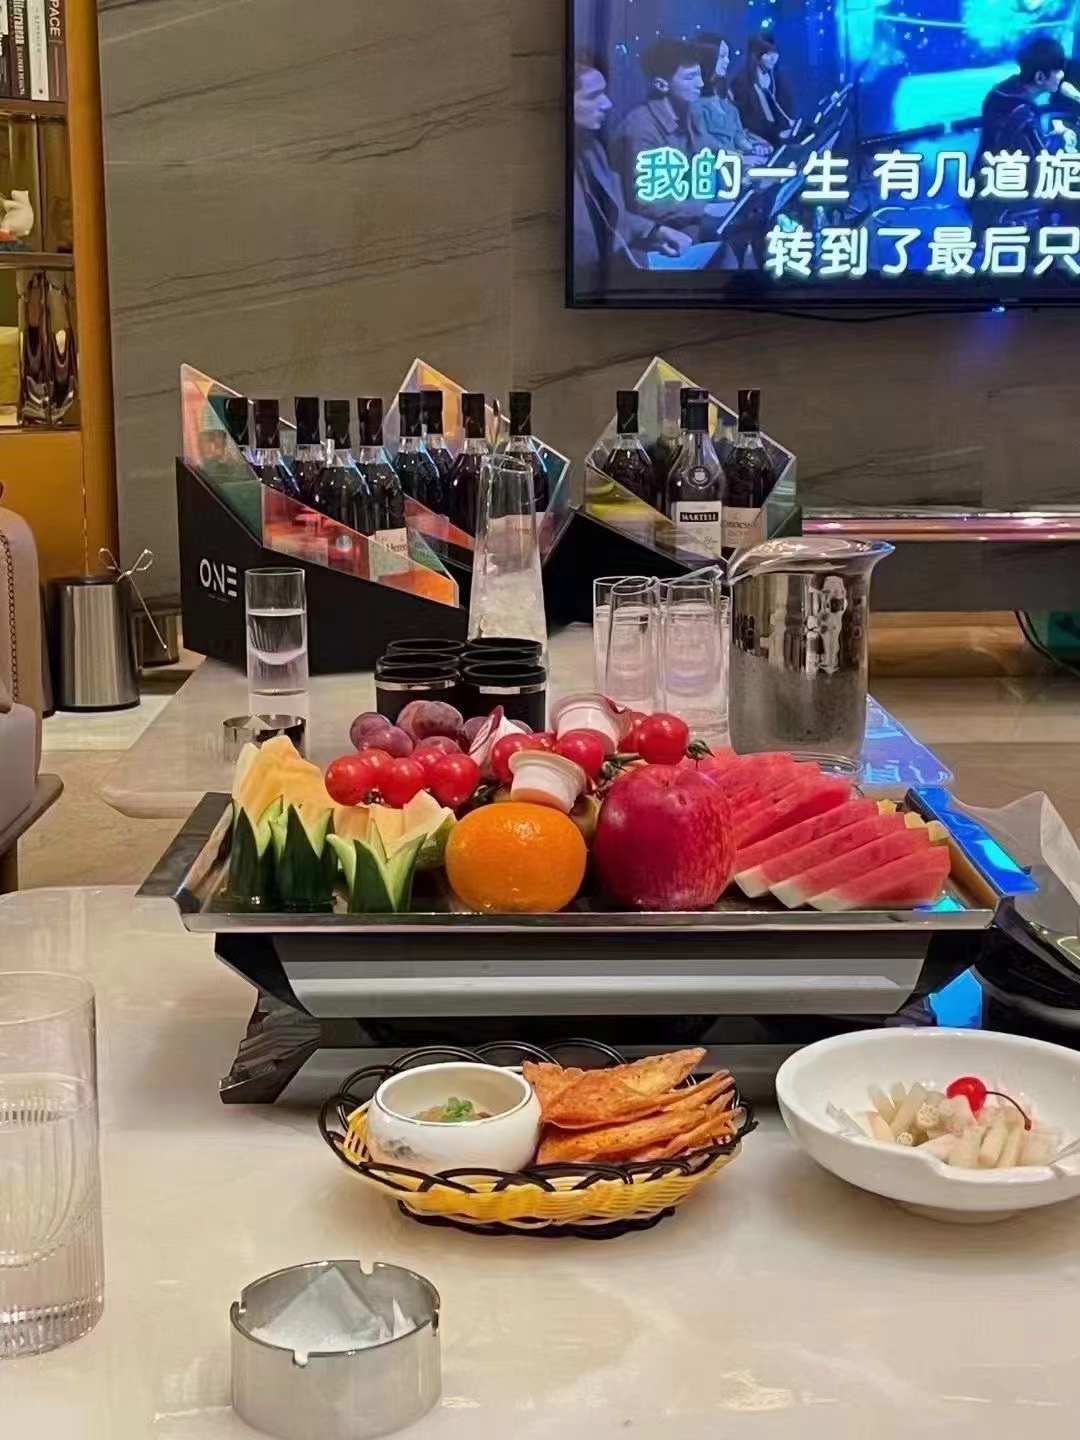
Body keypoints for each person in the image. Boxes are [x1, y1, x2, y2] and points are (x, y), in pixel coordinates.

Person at [571, 54, 692, 288]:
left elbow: (615, 216)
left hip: (621, 266)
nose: (607, 104)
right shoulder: (638, 128)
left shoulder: (593, 149)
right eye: (593, 96)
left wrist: (654, 231)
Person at [610, 38, 712, 231]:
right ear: (661, 85)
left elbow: (710, 150)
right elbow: (648, 204)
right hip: (659, 234)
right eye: (690, 77)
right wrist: (704, 208)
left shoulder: (689, 113)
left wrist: (741, 167)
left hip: (687, 221)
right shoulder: (640, 129)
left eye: (699, 75)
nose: (700, 84)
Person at [977, 35, 1067, 160]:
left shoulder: (999, 92)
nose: (1061, 75)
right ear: (1040, 77)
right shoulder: (1024, 113)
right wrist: (1059, 139)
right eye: (1057, 71)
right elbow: (1040, 159)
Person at [690, 33, 772, 159]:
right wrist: (741, 158)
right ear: (707, 57)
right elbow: (705, 144)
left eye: (727, 56)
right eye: (722, 56)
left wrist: (754, 148)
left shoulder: (725, 101)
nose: (727, 61)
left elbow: (738, 135)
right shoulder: (694, 105)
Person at [732, 33, 796, 149]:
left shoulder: (779, 80)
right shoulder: (741, 84)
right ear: (755, 55)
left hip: (783, 139)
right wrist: (777, 135)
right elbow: (746, 122)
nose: (773, 58)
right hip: (761, 143)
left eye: (775, 52)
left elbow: (787, 111)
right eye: (767, 53)